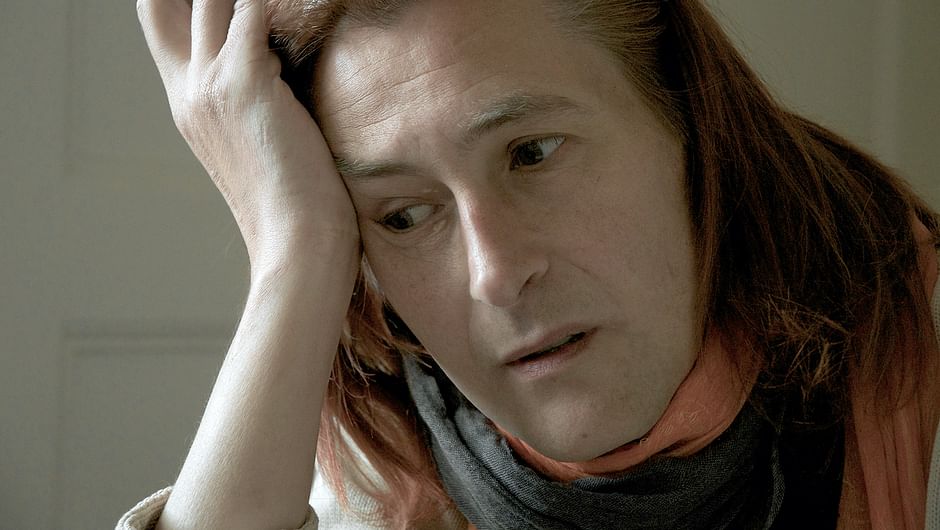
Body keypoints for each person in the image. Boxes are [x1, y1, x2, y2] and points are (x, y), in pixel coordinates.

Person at [121, 0, 940, 528]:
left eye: (532, 153)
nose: (495, 274)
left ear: (692, 122)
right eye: (403, 214)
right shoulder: (373, 467)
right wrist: (292, 256)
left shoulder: (914, 355)